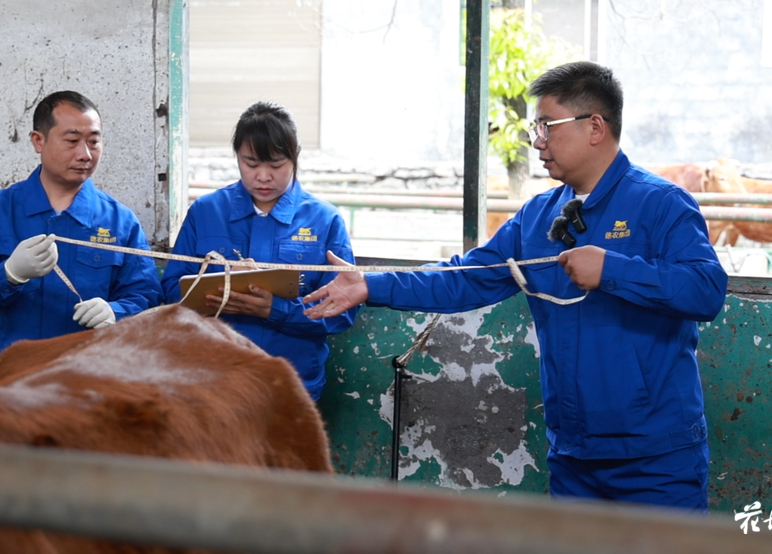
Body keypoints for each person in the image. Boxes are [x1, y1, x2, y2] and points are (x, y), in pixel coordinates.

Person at [304, 62, 728, 511]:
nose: (537, 142)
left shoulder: (660, 203)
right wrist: (371, 285)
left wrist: (613, 270)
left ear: (596, 127)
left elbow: (705, 289)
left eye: (547, 127)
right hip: (574, 454)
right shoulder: (538, 217)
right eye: (534, 128)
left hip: (655, 456)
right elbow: (464, 278)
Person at [161, 101, 358, 401]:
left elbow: (342, 311)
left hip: (291, 383)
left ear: (294, 159)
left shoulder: (324, 220)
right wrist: (220, 291)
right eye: (251, 164)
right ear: (237, 157)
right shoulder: (206, 211)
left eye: (276, 165)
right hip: (211, 379)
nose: (263, 176)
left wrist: (275, 310)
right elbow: (171, 290)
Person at [0, 90, 161, 371]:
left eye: (94, 142)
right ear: (39, 141)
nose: (85, 154)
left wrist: (117, 312)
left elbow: (148, 297)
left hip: (93, 379)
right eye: (72, 141)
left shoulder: (119, 221)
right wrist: (10, 274)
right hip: (16, 378)